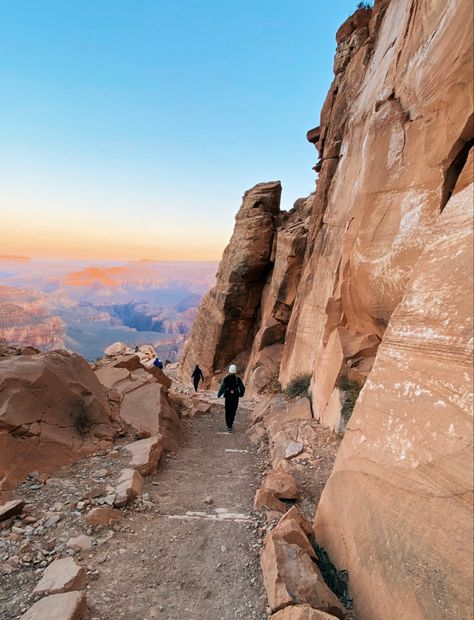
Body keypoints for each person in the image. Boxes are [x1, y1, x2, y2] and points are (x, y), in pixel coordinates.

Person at [217, 364, 245, 432]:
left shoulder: (226, 379)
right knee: (233, 411)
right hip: (235, 397)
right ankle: (230, 425)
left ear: (229, 371)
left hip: (228, 397)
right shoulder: (238, 379)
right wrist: (241, 394)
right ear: (235, 371)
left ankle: (228, 424)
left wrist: (219, 394)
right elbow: (242, 388)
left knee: (227, 410)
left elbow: (222, 387)